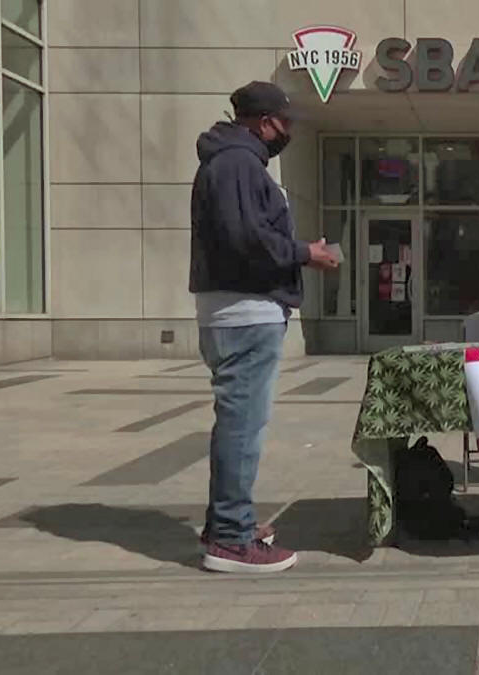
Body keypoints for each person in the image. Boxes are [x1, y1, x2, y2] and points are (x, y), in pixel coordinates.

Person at [190, 81, 339, 572]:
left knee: (238, 424)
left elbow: (244, 234)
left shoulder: (233, 161)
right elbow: (245, 239)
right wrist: (305, 253)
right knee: (242, 428)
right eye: (284, 122)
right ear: (263, 121)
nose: (288, 131)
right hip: (245, 312)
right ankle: (230, 540)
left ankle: (226, 523)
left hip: (240, 310)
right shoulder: (237, 163)